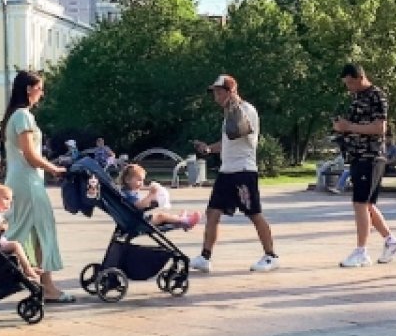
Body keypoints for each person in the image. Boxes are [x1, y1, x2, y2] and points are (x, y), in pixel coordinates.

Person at [190, 74, 279, 273]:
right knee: (212, 212)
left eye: (220, 92)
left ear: (231, 92)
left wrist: (235, 106)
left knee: (254, 213)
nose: (216, 97)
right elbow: (227, 143)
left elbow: (238, 132)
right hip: (226, 172)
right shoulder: (229, 114)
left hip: (243, 172)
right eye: (214, 93)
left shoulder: (246, 111)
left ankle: (270, 256)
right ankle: (205, 257)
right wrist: (208, 149)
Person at [1, 71, 71, 303]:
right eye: (40, 88)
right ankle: (47, 286)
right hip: (28, 181)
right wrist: (54, 169)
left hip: (21, 179)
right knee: (41, 229)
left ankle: (39, 282)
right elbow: (30, 155)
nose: (42, 93)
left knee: (25, 230)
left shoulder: (15, 115)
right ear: (29, 89)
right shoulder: (23, 116)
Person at [334, 63, 396, 268]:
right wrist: (342, 128)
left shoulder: (377, 95)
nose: (348, 87)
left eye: (350, 82)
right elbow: (357, 125)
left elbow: (379, 127)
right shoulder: (357, 97)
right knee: (366, 204)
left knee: (360, 203)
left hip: (371, 156)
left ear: (360, 77)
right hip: (358, 155)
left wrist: (349, 126)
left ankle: (361, 251)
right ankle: (391, 242)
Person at [0, 182, 42, 282]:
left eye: (11, 201)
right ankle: (27, 268)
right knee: (16, 245)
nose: (9, 203)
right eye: (6, 199)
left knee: (16, 249)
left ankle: (25, 268)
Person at [119, 164, 200, 230]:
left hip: (135, 219)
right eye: (139, 180)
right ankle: (185, 221)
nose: (141, 183)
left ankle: (180, 218)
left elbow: (138, 201)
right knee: (162, 216)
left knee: (163, 215)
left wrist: (153, 196)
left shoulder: (126, 191)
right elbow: (139, 206)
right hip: (137, 222)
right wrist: (151, 195)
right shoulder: (129, 194)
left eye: (143, 180)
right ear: (127, 180)